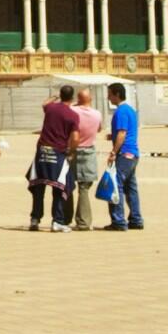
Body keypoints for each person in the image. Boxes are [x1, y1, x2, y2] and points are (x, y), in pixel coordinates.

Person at [27, 82, 78, 231]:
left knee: (38, 188)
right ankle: (57, 221)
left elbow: (44, 103)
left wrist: (54, 96)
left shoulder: (51, 108)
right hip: (58, 153)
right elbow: (75, 137)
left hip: (42, 152)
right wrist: (71, 151)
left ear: (61, 95)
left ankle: (35, 219)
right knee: (59, 188)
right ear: (72, 97)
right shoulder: (73, 115)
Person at [104, 81, 143, 231]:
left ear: (117, 94)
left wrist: (114, 152)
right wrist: (111, 136)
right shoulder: (131, 110)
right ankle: (136, 219)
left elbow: (122, 133)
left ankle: (118, 221)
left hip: (124, 153)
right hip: (133, 154)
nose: (108, 97)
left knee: (116, 186)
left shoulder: (120, 112)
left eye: (110, 94)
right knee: (131, 187)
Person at [69, 85, 103, 230]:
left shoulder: (73, 110)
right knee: (84, 188)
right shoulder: (97, 114)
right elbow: (100, 129)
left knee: (67, 185)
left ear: (78, 99)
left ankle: (64, 218)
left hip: (72, 150)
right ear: (91, 99)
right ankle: (83, 221)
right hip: (88, 151)